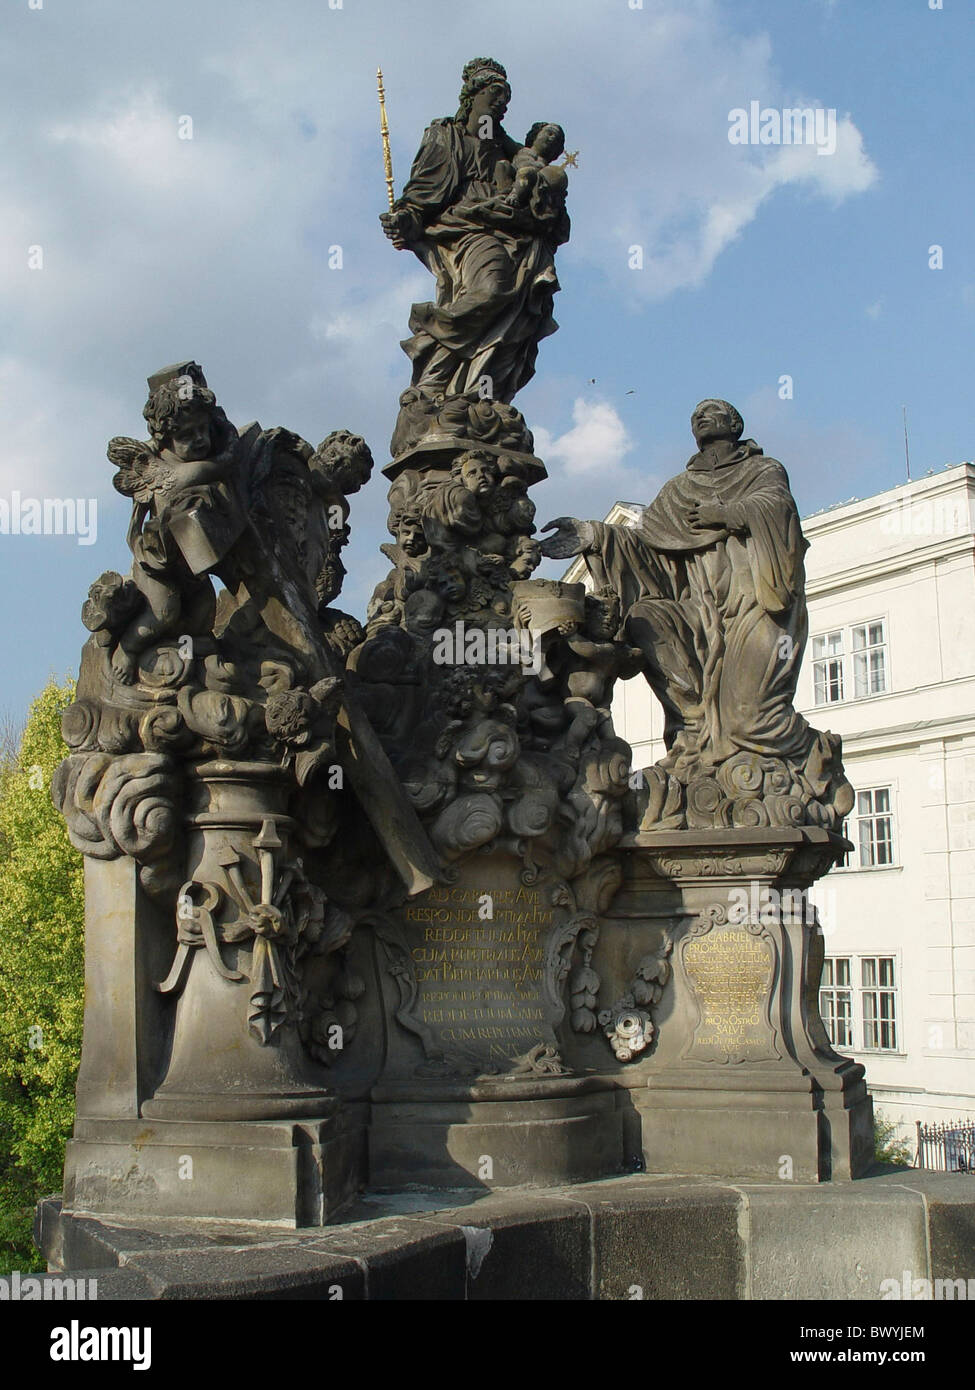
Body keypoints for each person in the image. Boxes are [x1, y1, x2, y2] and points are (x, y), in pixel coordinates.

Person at [539, 400, 819, 780]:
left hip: (753, 602)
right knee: (645, 616)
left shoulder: (762, 471)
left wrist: (725, 514)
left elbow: (777, 509)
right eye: (695, 414)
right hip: (697, 611)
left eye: (712, 410)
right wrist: (594, 534)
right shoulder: (679, 491)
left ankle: (804, 756)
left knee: (749, 719)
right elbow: (645, 545)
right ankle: (694, 730)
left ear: (734, 423)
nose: (701, 416)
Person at [379, 57, 569, 403]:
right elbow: (423, 190)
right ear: (472, 95)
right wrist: (405, 218)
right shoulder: (445, 135)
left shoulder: (505, 145)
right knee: (491, 289)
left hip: (515, 233)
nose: (502, 103)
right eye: (495, 93)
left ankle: (480, 397)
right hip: (467, 228)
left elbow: (538, 185)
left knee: (515, 313)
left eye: (506, 98)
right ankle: (433, 368)